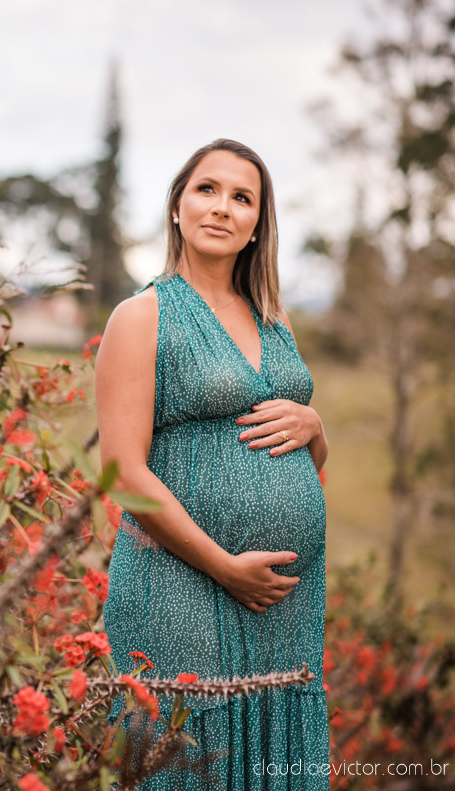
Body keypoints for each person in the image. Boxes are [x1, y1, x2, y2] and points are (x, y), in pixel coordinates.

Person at [95, 139, 331, 789]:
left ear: (259, 222)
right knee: (195, 755)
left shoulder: (274, 321)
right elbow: (124, 471)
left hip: (284, 605)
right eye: (207, 189)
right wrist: (224, 566)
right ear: (177, 206)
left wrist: (315, 426)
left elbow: (307, 463)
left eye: (242, 196)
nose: (222, 207)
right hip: (182, 586)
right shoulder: (142, 316)